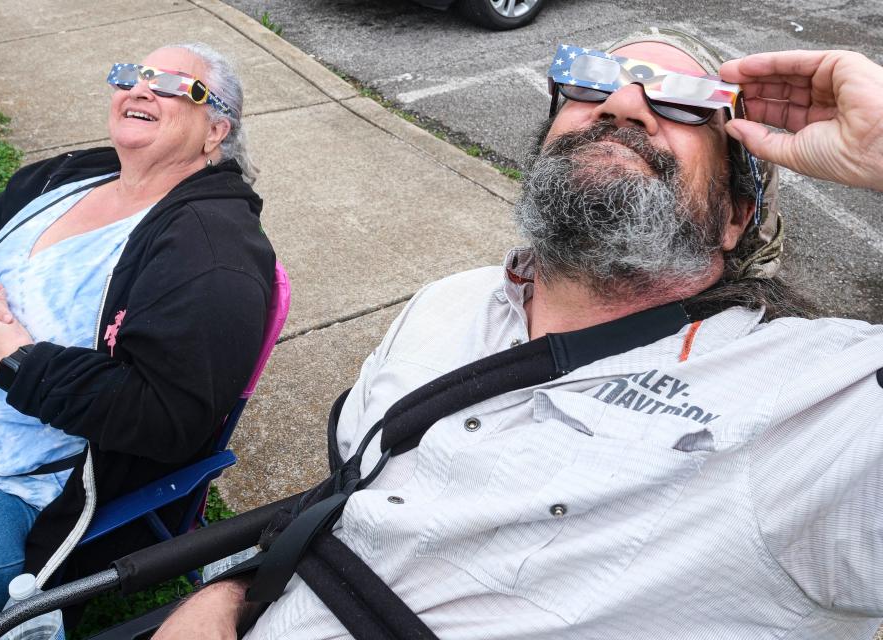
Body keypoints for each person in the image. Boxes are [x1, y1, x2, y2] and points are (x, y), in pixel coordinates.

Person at [155, 30, 883, 640]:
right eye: (592, 83)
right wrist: (233, 592)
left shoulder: (808, 406)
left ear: (734, 219)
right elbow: (354, 496)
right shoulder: (451, 302)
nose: (623, 103)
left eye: (687, 102)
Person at [0, 43, 274, 631]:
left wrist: (15, 362)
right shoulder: (72, 175)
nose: (141, 89)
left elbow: (170, 417)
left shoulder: (212, 252)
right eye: (132, 76)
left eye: (172, 85)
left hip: (18, 491)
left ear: (216, 131)